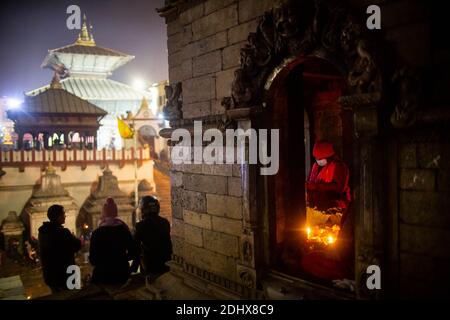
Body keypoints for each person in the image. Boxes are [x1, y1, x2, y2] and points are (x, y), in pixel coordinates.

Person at [89, 197, 139, 285]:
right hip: (121, 272)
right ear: (116, 213)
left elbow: (92, 259)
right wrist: (121, 259)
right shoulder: (124, 230)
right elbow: (133, 252)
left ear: (103, 214)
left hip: (102, 274)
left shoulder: (97, 233)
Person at [38, 205, 82, 293]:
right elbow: (77, 245)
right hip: (66, 274)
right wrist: (73, 237)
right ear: (57, 217)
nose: (65, 216)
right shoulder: (63, 232)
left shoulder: (42, 232)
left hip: (50, 274)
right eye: (63, 214)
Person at [133, 196, 172, 278]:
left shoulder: (140, 225)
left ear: (143, 210)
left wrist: (133, 267)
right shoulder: (165, 222)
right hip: (166, 262)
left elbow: (135, 248)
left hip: (151, 265)